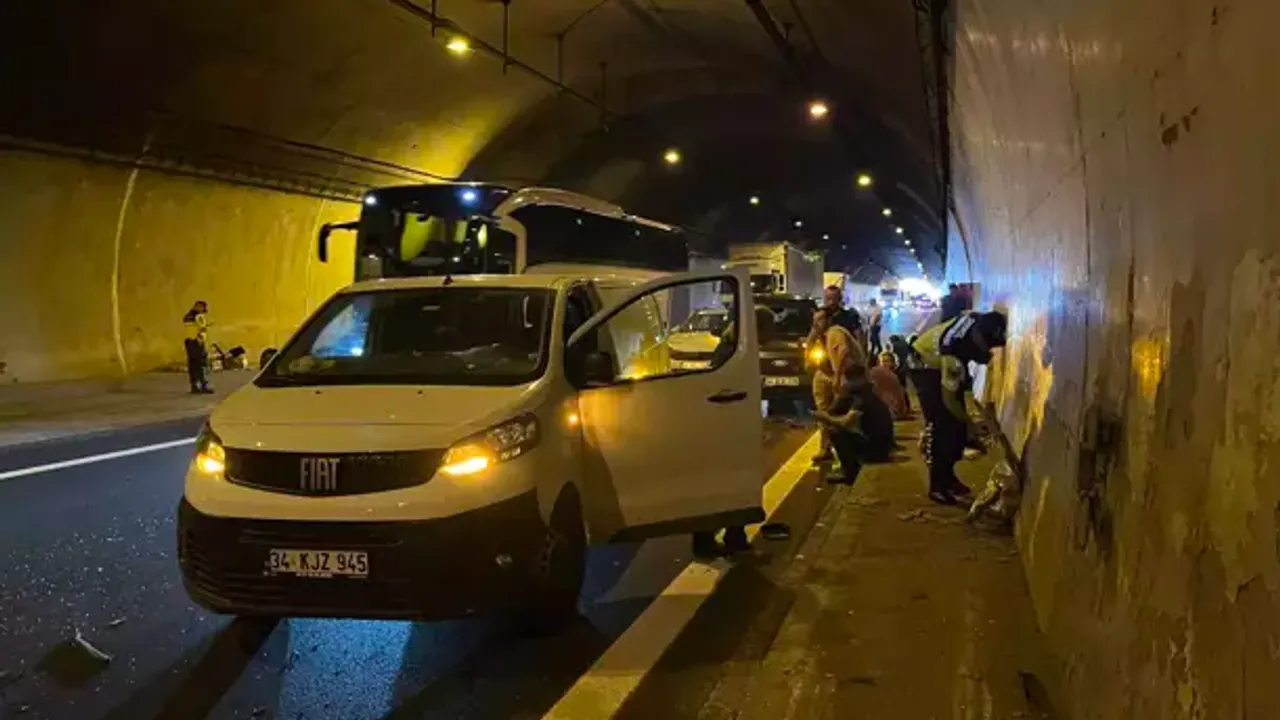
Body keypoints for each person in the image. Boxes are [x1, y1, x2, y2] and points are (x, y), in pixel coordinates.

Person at [694, 305, 777, 559]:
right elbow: (726, 389)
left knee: (727, 485)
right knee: (732, 484)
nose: (771, 336)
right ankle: (726, 540)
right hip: (727, 428)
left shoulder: (732, 349)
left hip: (727, 425)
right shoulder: (733, 353)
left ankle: (714, 539)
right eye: (769, 329)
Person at [908, 310, 1008, 505]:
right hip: (924, 368)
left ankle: (948, 477)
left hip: (937, 363)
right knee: (942, 425)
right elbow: (950, 400)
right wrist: (969, 423)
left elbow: (970, 314)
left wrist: (965, 425)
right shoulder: (953, 354)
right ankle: (937, 486)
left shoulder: (974, 322)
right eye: (986, 346)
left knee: (956, 427)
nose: (987, 351)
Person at [806, 285, 862, 463]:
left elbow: (856, 341)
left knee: (841, 411)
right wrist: (807, 359)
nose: (830, 302)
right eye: (827, 298)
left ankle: (847, 452)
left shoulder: (847, 319)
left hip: (842, 372)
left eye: (833, 298)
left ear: (840, 299)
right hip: (823, 370)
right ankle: (825, 448)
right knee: (823, 411)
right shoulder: (821, 316)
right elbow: (810, 339)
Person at [183, 300, 213, 394]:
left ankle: (194, 386)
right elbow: (200, 329)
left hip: (189, 341)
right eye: (199, 306)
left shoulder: (187, 316)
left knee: (193, 364)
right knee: (201, 364)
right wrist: (206, 327)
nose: (200, 308)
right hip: (196, 341)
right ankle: (204, 385)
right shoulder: (198, 316)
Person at [869, 352, 910, 419]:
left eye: (888, 361)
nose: (885, 364)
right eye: (883, 361)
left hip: (892, 412)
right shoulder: (880, 374)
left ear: (893, 363)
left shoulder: (895, 376)